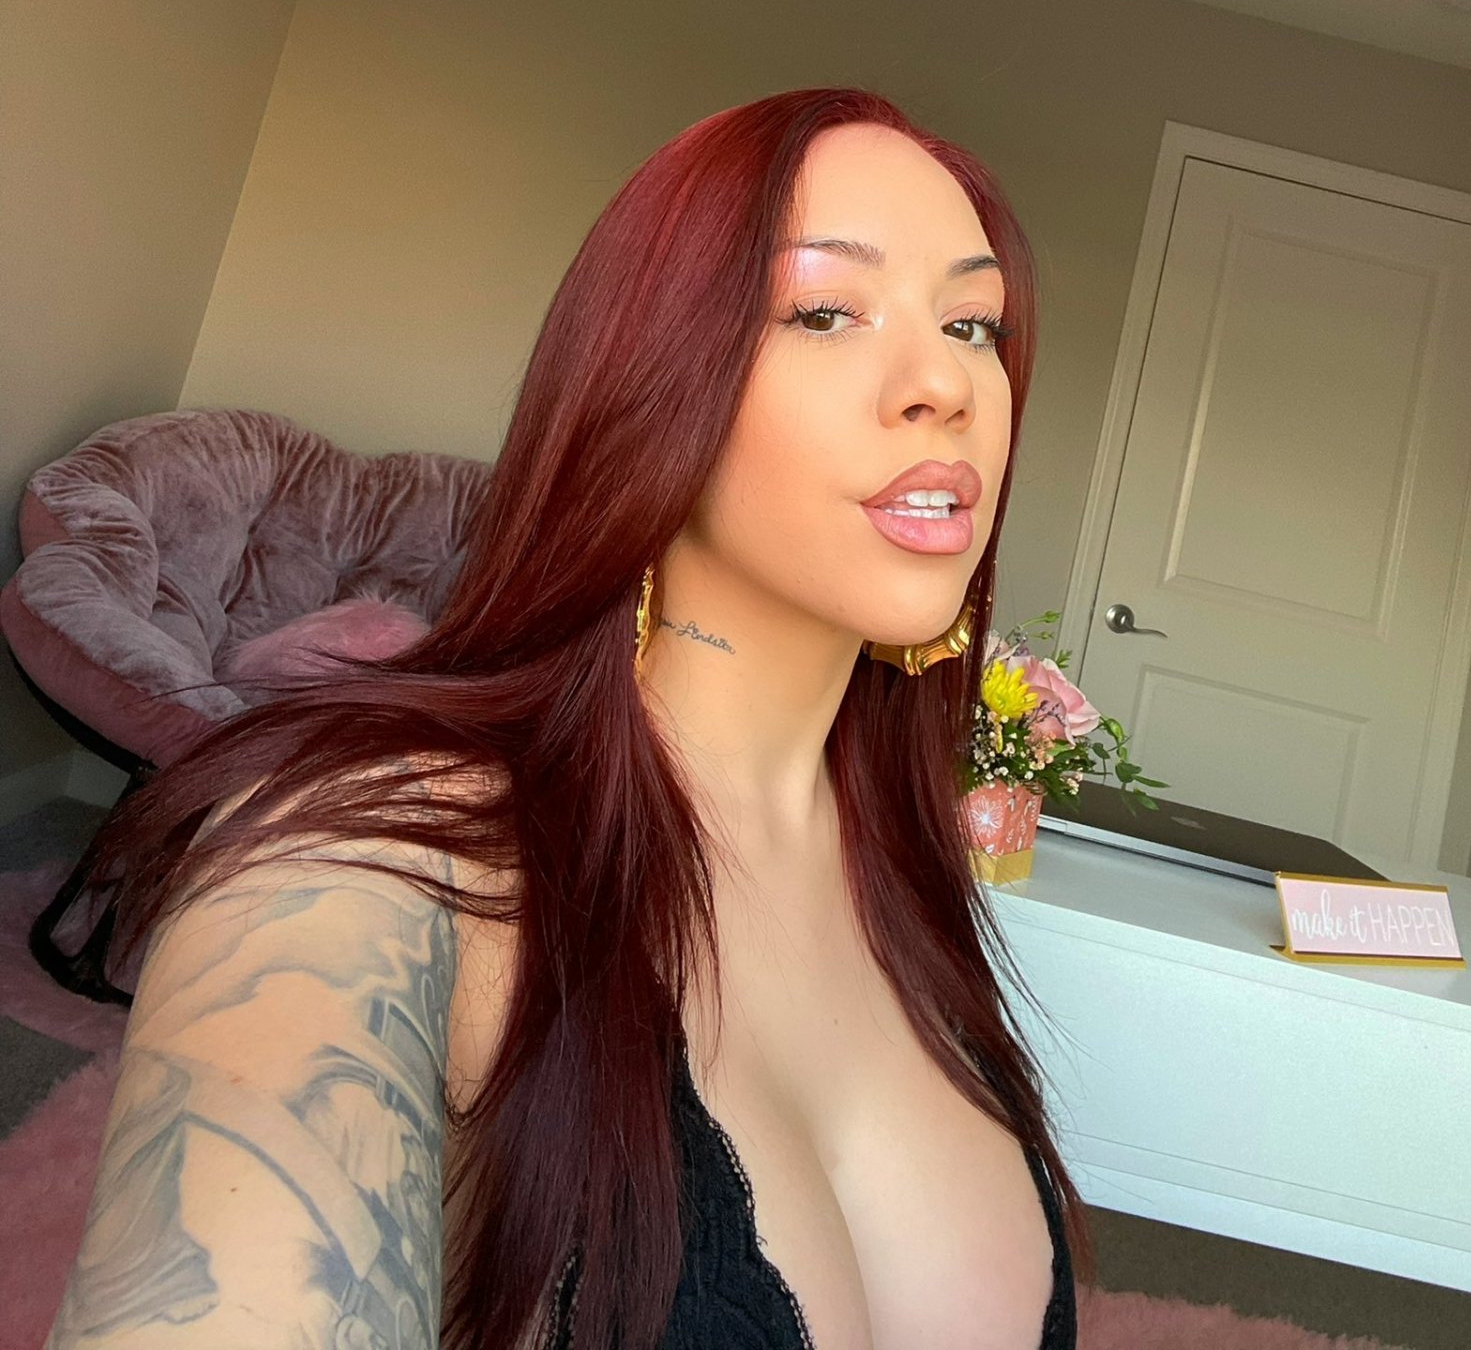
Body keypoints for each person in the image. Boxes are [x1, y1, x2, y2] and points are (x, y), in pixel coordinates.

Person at [46, 86, 1094, 1350]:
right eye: (824, 310)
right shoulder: (374, 849)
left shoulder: (908, 861)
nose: (945, 385)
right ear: (644, 383)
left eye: (972, 324)